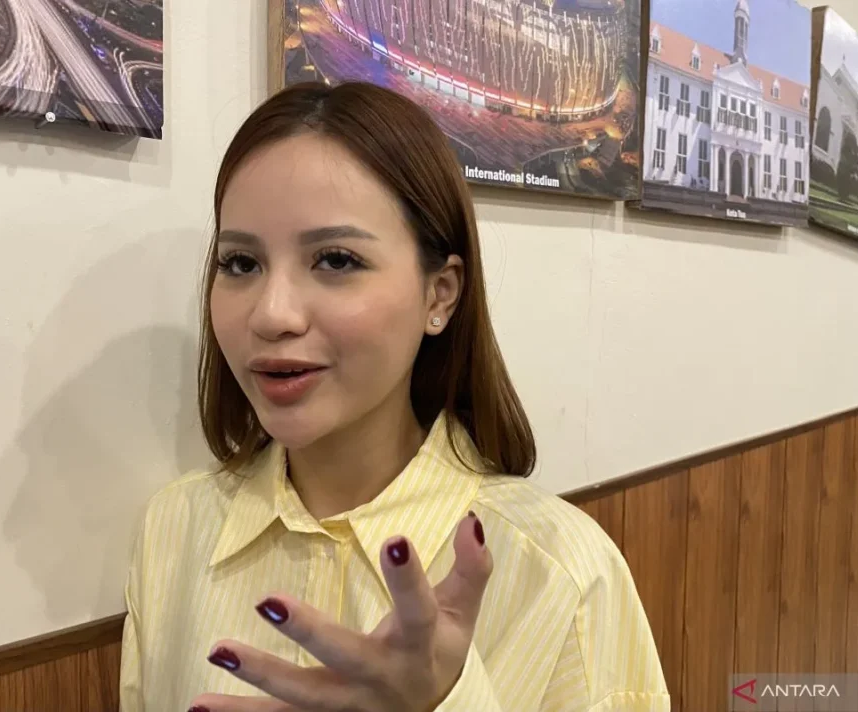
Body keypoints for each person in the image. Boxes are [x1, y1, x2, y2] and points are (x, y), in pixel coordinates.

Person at [119, 81, 670, 712]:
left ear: (440, 294)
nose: (272, 314)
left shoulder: (561, 570)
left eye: (335, 260)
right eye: (241, 264)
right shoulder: (174, 528)